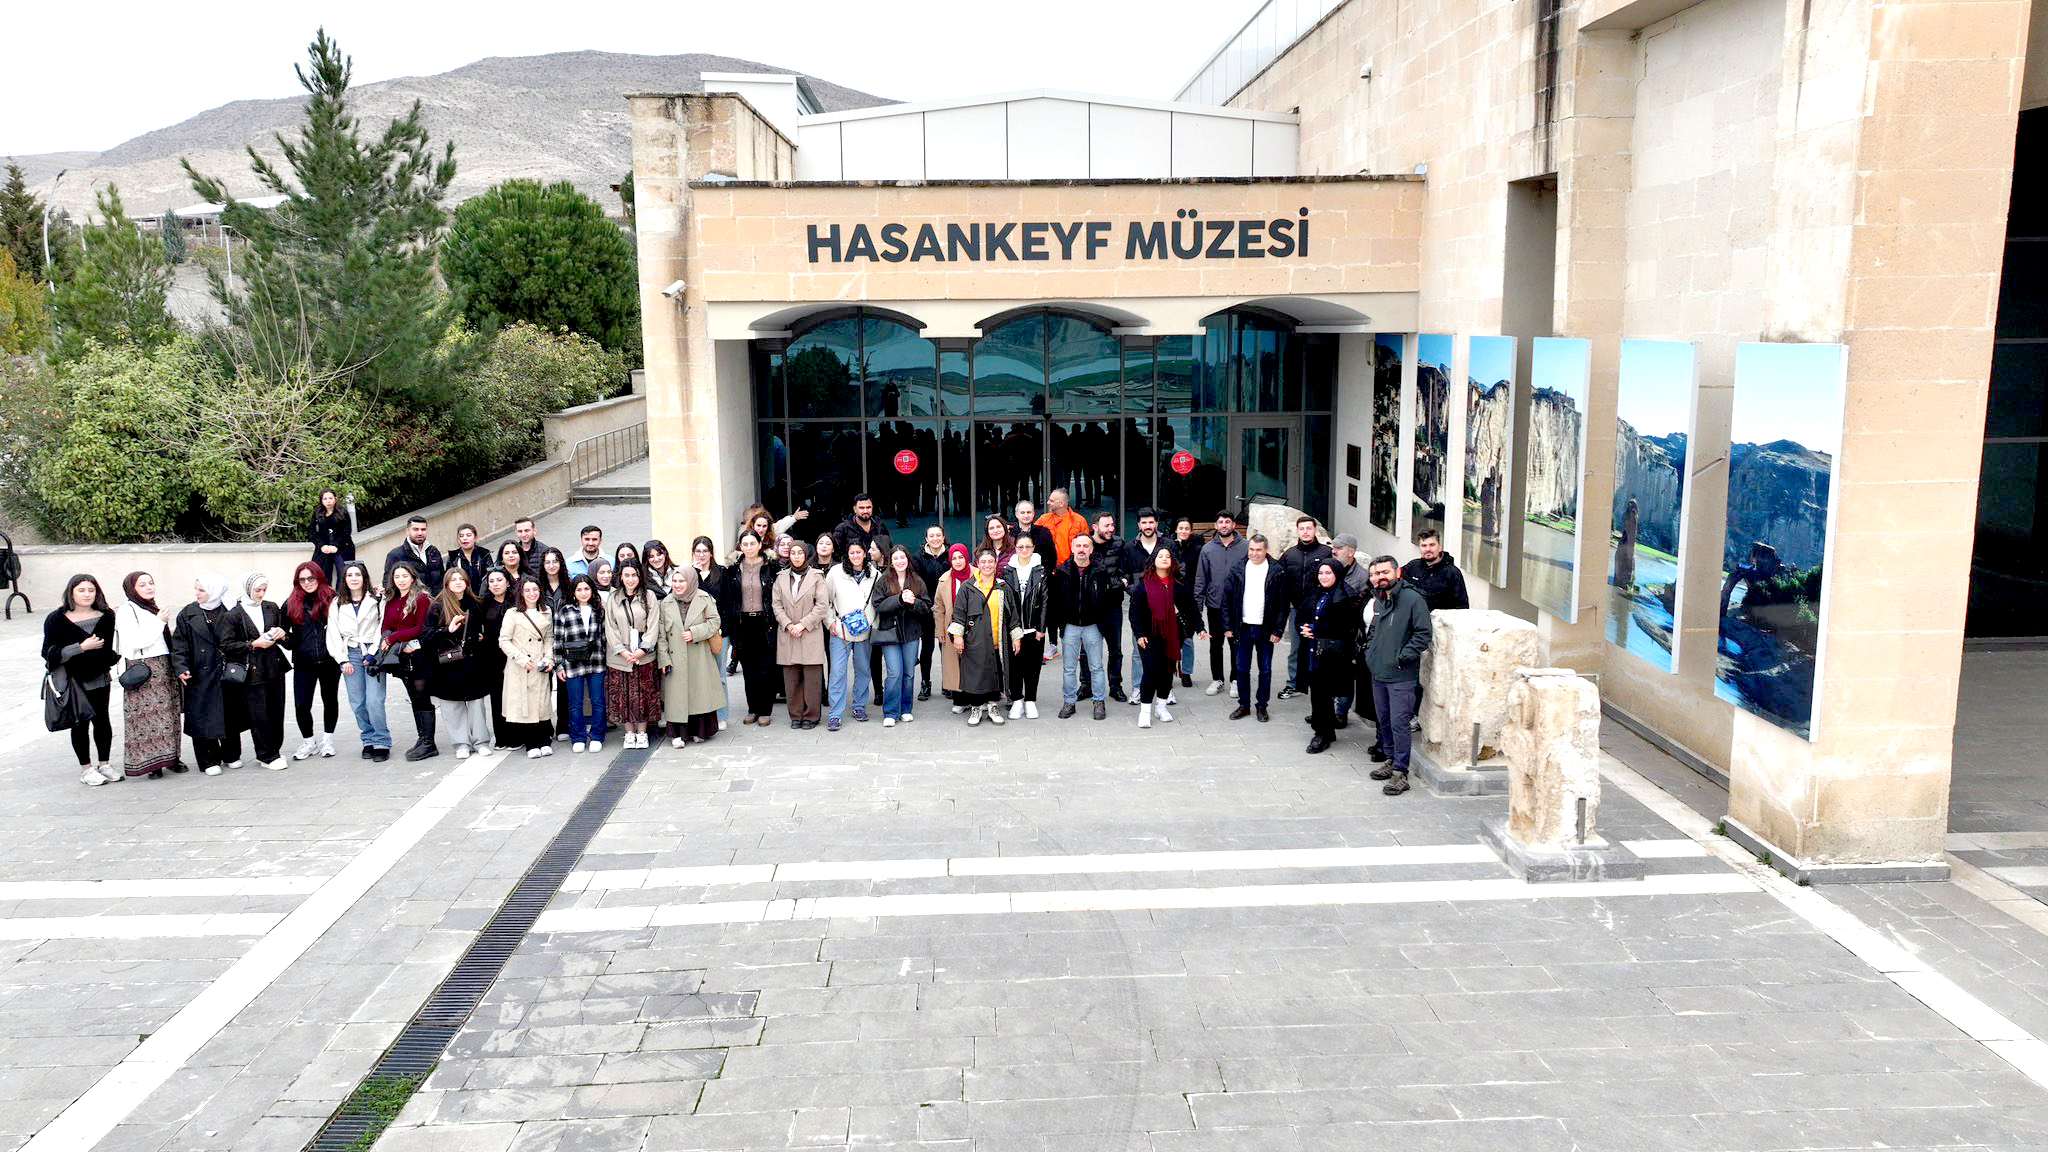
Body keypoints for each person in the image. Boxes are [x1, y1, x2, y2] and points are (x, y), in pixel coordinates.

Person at [1363, 555, 1433, 795]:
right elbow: (1374, 630)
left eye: (1384, 572)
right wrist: (1370, 653)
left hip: (1401, 675)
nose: (1379, 577)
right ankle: (1391, 760)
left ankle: (1400, 773)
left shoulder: (1413, 599)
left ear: (1397, 573)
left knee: (1400, 723)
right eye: (1374, 574)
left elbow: (1423, 634)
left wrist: (1401, 657)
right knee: (1384, 721)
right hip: (1378, 671)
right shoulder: (1380, 599)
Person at [45, 574, 119, 786]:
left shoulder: (106, 615)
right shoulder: (56, 619)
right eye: (82, 590)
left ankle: (104, 763)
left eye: (91, 590)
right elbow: (49, 652)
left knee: (102, 721)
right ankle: (86, 769)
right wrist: (81, 647)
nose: (87, 594)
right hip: (74, 680)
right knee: (80, 723)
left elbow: (108, 646)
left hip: (100, 676)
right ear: (71, 592)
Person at [172, 574, 247, 775]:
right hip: (200, 673)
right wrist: (181, 667)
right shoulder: (188, 613)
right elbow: (179, 645)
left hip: (226, 671)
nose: (197, 593)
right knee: (203, 716)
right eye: (196, 589)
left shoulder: (231, 609)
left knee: (229, 713)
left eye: (201, 590)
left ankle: (232, 754)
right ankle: (208, 760)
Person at [114, 572, 184, 780]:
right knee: (147, 718)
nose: (149, 588)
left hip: (163, 665)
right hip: (144, 667)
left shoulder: (151, 606)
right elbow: (136, 641)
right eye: (142, 585)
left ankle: (171, 758)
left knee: (168, 715)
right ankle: (153, 764)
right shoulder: (127, 610)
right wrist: (159, 622)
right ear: (131, 589)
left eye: (151, 583)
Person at [1129, 545, 1202, 729]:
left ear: (1172, 562)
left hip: (1172, 634)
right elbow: (1134, 612)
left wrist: (1199, 627)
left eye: (1167, 557)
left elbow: (1191, 606)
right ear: (1153, 560)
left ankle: (1161, 707)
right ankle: (1145, 712)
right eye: (1160, 556)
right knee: (1150, 671)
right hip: (1149, 635)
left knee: (1167, 671)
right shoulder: (1144, 584)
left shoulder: (1178, 584)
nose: (1163, 559)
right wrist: (1139, 634)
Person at [423, 566, 492, 759]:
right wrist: (447, 630)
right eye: (453, 580)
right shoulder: (437, 605)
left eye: (461, 579)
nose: (458, 582)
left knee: (477, 703)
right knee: (453, 706)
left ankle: (481, 741)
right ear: (447, 583)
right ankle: (461, 743)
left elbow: (483, 627)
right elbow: (426, 635)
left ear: (467, 582)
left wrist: (481, 637)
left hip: (472, 662)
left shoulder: (476, 603)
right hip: (448, 663)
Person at [227, 572, 291, 771]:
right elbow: (226, 645)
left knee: (276, 710)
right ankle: (265, 754)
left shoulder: (271, 607)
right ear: (247, 589)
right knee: (259, 713)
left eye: (264, 590)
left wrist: (282, 635)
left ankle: (274, 750)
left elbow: (286, 638)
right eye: (257, 590)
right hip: (252, 670)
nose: (261, 594)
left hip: (274, 666)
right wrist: (253, 644)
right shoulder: (234, 614)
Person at [328, 562, 391, 761]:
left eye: (358, 574)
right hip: (350, 654)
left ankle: (382, 741)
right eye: (349, 575)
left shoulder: (376, 599)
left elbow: (382, 626)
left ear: (364, 577)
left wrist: (373, 652)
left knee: (374, 700)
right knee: (358, 702)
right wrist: (341, 659)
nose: (354, 578)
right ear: (344, 579)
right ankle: (368, 739)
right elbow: (333, 632)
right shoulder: (337, 602)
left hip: (372, 652)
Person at [1224, 534, 1290, 723]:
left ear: (1266, 550)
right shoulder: (1238, 568)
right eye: (1251, 549)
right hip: (1242, 627)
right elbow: (1226, 599)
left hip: (1265, 629)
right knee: (1242, 669)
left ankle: (1262, 706)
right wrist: (1228, 626)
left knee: (1266, 670)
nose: (1254, 553)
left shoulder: (1277, 571)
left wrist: (1278, 630)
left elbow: (1282, 605)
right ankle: (1244, 705)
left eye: (1259, 550)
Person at [1050, 534, 1114, 720]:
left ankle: (1099, 702)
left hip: (1093, 625)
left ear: (1091, 549)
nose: (1082, 549)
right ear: (1072, 548)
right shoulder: (1063, 572)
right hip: (1070, 626)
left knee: (1096, 666)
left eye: (1086, 545)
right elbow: (1057, 601)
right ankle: (1069, 703)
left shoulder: (1100, 571)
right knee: (1069, 668)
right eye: (1078, 545)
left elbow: (1107, 599)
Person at [658, 566, 725, 746]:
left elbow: (715, 621)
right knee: (677, 696)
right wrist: (663, 659)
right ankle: (679, 734)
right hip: (676, 657)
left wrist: (695, 632)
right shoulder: (666, 603)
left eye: (682, 581)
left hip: (699, 656)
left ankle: (700, 731)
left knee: (699, 693)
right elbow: (661, 635)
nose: (678, 585)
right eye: (675, 581)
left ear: (691, 581)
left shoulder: (704, 598)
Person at [1301, 559, 1361, 755]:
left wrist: (1316, 629)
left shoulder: (1344, 595)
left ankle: (1322, 734)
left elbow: (1345, 625)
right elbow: (1303, 613)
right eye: (1321, 573)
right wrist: (1305, 628)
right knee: (1318, 692)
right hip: (1314, 650)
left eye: (1328, 573)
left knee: (1323, 693)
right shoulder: (1316, 592)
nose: (1323, 577)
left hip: (1332, 654)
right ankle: (1327, 730)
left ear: (1336, 574)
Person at [283, 562, 341, 761]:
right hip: (304, 662)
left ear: (319, 577)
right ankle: (309, 742)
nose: (307, 582)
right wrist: (282, 637)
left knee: (330, 700)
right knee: (301, 704)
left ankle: (328, 740)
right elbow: (288, 640)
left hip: (329, 661)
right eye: (302, 579)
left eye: (311, 578)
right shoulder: (290, 603)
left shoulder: (332, 599)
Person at [948, 548, 1009, 726]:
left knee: (994, 672)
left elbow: (1011, 614)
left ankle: (992, 706)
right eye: (983, 562)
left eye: (991, 561)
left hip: (997, 640)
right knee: (975, 673)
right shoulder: (968, 587)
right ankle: (976, 707)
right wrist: (958, 637)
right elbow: (958, 613)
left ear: (995, 563)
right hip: (974, 639)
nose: (987, 565)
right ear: (977, 564)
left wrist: (1015, 636)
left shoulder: (1002, 586)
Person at [772, 540, 828, 729]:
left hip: (809, 632)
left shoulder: (817, 577)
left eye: (799, 553)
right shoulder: (780, 577)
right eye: (793, 553)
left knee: (812, 679)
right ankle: (796, 715)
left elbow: (822, 606)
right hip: (788, 633)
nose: (796, 556)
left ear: (806, 555)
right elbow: (776, 605)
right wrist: (788, 624)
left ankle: (811, 716)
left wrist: (803, 624)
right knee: (792, 677)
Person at [871, 545, 929, 727]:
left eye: (902, 557)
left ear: (907, 559)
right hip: (890, 633)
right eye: (895, 558)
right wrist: (899, 600)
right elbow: (878, 605)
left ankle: (905, 709)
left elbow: (926, 607)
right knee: (894, 673)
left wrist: (913, 602)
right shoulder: (883, 581)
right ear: (891, 561)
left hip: (911, 634)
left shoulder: (917, 580)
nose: (899, 561)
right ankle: (890, 711)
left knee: (909, 674)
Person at [605, 561, 661, 749]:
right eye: (626, 575)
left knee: (643, 695)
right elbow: (610, 627)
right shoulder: (613, 598)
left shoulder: (649, 596)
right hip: (620, 658)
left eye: (634, 575)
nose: (630, 579)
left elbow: (653, 625)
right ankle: (629, 732)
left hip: (644, 656)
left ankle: (642, 732)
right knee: (623, 695)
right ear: (620, 576)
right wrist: (622, 651)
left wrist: (642, 649)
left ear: (640, 576)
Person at [383, 562, 436, 762]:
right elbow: (386, 625)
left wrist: (394, 638)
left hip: (419, 655)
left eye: (405, 576)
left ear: (412, 577)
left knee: (422, 697)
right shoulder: (392, 600)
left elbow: (420, 627)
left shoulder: (421, 598)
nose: (401, 580)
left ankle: (429, 743)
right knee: (413, 698)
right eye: (397, 577)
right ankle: (422, 738)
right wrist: (388, 638)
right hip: (402, 656)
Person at [823, 540, 878, 731]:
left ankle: (859, 706)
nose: (855, 556)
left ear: (865, 554)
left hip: (865, 632)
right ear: (847, 555)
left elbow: (878, 603)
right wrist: (830, 622)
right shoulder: (835, 573)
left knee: (863, 670)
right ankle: (835, 714)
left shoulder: (875, 575)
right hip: (841, 631)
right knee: (837, 672)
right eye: (851, 553)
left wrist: (873, 624)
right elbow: (825, 600)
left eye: (858, 552)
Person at [499, 576, 556, 758]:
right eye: (527, 590)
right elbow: (504, 640)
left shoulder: (547, 612)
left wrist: (549, 659)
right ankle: (531, 743)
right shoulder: (512, 613)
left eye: (535, 590)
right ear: (521, 593)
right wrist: (521, 658)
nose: (532, 594)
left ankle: (544, 740)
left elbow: (549, 638)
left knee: (541, 703)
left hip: (539, 664)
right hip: (521, 666)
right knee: (526, 705)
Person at [726, 531, 779, 726]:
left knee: (765, 668)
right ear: (740, 546)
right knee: (748, 669)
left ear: (760, 545)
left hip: (765, 621)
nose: (749, 547)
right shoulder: (733, 569)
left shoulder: (770, 567)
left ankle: (765, 710)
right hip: (743, 622)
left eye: (752, 543)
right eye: (745, 544)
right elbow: (731, 598)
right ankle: (753, 708)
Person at [1277, 516, 1332, 700]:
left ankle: (1321, 684)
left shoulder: (1326, 553)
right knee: (1296, 647)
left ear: (1315, 529)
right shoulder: (1289, 554)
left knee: (1322, 646)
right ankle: (1293, 683)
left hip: (1321, 610)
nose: (1306, 532)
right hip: (1297, 610)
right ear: (1297, 531)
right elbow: (1279, 578)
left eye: (1309, 528)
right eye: (1302, 529)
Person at [1194, 510, 1245, 697]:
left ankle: (1235, 680)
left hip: (1237, 607)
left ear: (1233, 525)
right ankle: (1217, 679)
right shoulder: (1207, 549)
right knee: (1215, 645)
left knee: (1235, 644)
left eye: (1227, 522)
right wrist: (1197, 609)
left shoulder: (1246, 547)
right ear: (1216, 526)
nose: (1224, 525)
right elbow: (1201, 579)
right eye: (1220, 522)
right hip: (1214, 605)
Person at [1120, 509, 1169, 701]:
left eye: (1151, 522)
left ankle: (1165, 690)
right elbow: (1123, 574)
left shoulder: (1167, 545)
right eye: (1144, 523)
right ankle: (1138, 688)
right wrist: (1134, 590)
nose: (1148, 526)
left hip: (1165, 607)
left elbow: (1177, 571)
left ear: (1156, 523)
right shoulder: (1130, 548)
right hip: (1140, 608)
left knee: (1165, 650)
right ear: (1138, 525)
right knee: (1138, 649)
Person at [553, 574, 607, 752]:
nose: (583, 593)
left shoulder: (599, 609)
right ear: (573, 592)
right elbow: (557, 640)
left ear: (592, 590)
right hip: (572, 663)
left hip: (596, 661)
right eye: (579, 589)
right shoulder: (565, 611)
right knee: (575, 703)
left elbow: (605, 637)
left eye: (586, 589)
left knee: (598, 700)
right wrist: (559, 665)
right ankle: (578, 737)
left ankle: (598, 736)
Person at [1001, 534, 1049, 719]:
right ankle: (1017, 701)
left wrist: (1041, 628)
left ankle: (1030, 701)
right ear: (1015, 548)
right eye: (1020, 547)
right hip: (1014, 629)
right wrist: (1010, 629)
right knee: (1015, 667)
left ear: (1033, 547)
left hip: (1033, 628)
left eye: (1027, 547)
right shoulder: (1008, 571)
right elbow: (1006, 601)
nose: (1024, 550)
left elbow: (1045, 600)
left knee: (1033, 666)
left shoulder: (1040, 570)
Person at [689, 536, 733, 730]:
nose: (701, 555)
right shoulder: (690, 574)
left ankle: (721, 714)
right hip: (697, 632)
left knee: (719, 674)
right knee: (701, 675)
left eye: (705, 551)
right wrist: (695, 574)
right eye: (698, 551)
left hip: (718, 631)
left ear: (711, 553)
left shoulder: (722, 573)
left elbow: (727, 602)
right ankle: (705, 715)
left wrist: (721, 626)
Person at [1085, 512, 1128, 703]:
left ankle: (1115, 686)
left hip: (1113, 605)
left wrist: (1121, 582)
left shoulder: (1119, 544)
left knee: (1115, 649)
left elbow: (1126, 568)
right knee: (1086, 649)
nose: (1111, 529)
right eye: (1106, 526)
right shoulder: (1085, 544)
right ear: (1094, 527)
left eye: (1112, 525)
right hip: (1090, 606)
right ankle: (1086, 686)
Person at [477, 568, 514, 749]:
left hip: (514, 655)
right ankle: (502, 737)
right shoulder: (483, 604)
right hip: (492, 656)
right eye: (492, 581)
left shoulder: (516, 602)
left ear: (507, 582)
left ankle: (517, 735)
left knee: (514, 696)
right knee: (497, 697)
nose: (496, 584)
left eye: (499, 580)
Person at [931, 543, 971, 712]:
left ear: (967, 557)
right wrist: (939, 630)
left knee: (974, 663)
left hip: (975, 627)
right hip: (952, 627)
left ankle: (976, 698)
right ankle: (960, 700)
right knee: (955, 665)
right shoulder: (944, 579)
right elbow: (938, 607)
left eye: (961, 557)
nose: (958, 561)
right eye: (954, 558)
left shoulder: (978, 574)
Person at [912, 526, 950, 701]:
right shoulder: (918, 558)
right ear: (926, 538)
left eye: (938, 535)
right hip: (926, 610)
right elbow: (917, 583)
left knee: (947, 648)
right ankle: (925, 683)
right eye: (931, 536)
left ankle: (948, 684)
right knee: (927, 649)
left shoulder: (950, 555)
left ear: (943, 537)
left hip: (947, 610)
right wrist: (927, 605)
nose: (935, 538)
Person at [1401, 529, 1471, 612]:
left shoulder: (1452, 573)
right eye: (1424, 545)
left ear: (1440, 547)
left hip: (1437, 622)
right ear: (1419, 548)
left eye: (1432, 545)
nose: (1428, 549)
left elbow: (1462, 608)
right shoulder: (1412, 566)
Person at [1171, 518, 1204, 689]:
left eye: (1187, 528)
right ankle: (1169, 670)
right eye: (1180, 528)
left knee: (1188, 639)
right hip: (1171, 596)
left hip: (1188, 597)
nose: (1183, 531)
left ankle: (1186, 672)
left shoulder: (1197, 548)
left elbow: (1199, 574)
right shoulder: (1169, 546)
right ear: (1176, 530)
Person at [830, 493, 891, 569]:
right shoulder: (843, 529)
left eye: (868, 507)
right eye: (861, 508)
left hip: (879, 569)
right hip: (852, 570)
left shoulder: (880, 526)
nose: (865, 511)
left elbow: (887, 549)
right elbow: (837, 554)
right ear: (855, 509)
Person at [383, 516, 445, 590]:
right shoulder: (395, 555)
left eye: (423, 529)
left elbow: (443, 577)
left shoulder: (433, 551)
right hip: (413, 600)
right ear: (407, 531)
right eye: (415, 529)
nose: (420, 533)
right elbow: (388, 584)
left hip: (438, 599)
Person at [308, 489, 354, 585]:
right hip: (323, 547)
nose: (328, 501)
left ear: (335, 499)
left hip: (342, 546)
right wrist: (322, 546)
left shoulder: (343, 513)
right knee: (320, 574)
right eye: (325, 499)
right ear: (321, 500)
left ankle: (341, 597)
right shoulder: (317, 513)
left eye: (330, 498)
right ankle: (325, 597)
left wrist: (335, 545)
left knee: (343, 573)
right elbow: (312, 532)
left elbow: (347, 532)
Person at [1037, 488, 1089, 568]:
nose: (1048, 503)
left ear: (1061, 503)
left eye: (1051, 501)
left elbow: (1086, 546)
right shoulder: (1043, 520)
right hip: (1048, 568)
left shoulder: (1079, 521)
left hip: (1072, 569)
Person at [448, 524, 489, 592]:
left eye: (469, 535)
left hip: (482, 596)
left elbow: (489, 577)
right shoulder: (453, 557)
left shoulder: (484, 554)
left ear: (475, 538)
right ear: (458, 540)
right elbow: (449, 580)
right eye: (461, 536)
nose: (465, 538)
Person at [1014, 499, 1056, 564]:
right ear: (1017, 514)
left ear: (1033, 514)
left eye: (1029, 512)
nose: (1026, 515)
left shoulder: (1044, 533)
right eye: (1022, 512)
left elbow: (1051, 557)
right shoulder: (1010, 534)